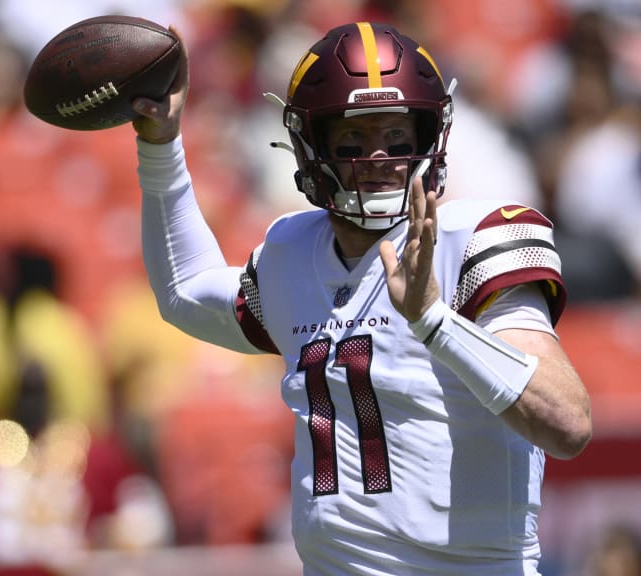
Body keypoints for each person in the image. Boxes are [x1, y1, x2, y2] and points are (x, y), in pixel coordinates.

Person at [130, 21, 592, 574]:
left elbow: (567, 423)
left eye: (398, 139)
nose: (379, 160)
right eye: (353, 140)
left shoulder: (475, 239)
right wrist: (160, 147)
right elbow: (186, 290)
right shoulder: (292, 253)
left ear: (430, 139)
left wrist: (434, 322)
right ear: (310, 146)